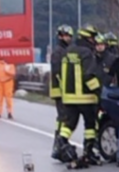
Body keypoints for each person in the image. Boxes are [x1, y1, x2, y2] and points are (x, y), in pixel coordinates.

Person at [57, 24, 102, 166]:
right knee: (90, 125)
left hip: (69, 98)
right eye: (93, 37)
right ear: (88, 38)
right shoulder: (87, 53)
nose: (94, 40)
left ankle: (62, 142)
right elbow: (88, 76)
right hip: (86, 97)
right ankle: (88, 152)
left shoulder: (67, 51)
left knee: (69, 124)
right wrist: (99, 91)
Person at [50, 24, 73, 160]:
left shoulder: (65, 50)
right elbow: (58, 72)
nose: (68, 38)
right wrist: (65, 88)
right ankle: (58, 144)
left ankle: (60, 143)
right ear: (60, 36)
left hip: (63, 90)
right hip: (60, 90)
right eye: (66, 36)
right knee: (63, 117)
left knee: (63, 117)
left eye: (69, 36)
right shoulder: (58, 51)